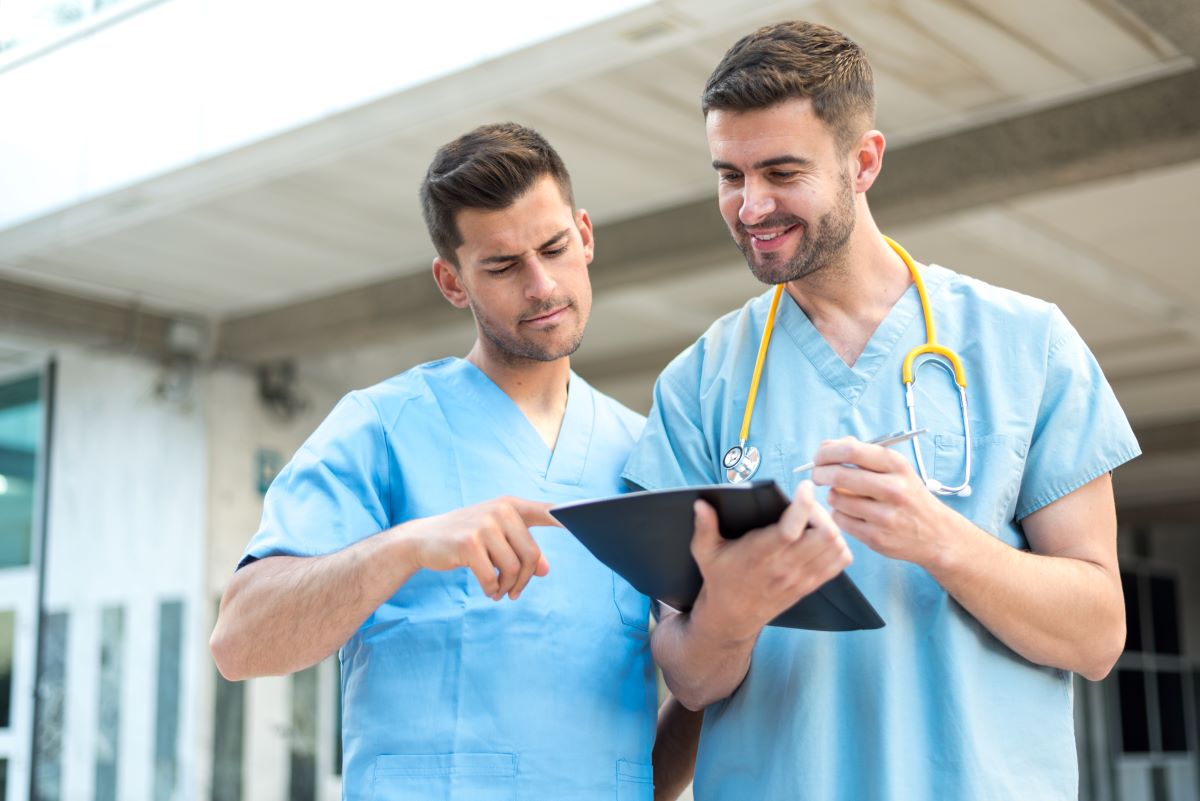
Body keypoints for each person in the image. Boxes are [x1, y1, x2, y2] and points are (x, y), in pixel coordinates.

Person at [622, 20, 1139, 801]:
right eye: (729, 174)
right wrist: (731, 610)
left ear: (863, 162)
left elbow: (1098, 634)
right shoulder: (700, 384)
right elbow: (691, 681)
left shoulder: (1026, 344)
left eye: (781, 171)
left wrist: (940, 539)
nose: (751, 205)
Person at [210, 123, 696, 800]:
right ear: (452, 281)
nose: (541, 284)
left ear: (584, 234)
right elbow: (239, 641)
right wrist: (407, 544)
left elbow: (688, 695)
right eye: (501, 265)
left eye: (554, 248)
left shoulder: (645, 452)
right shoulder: (380, 428)